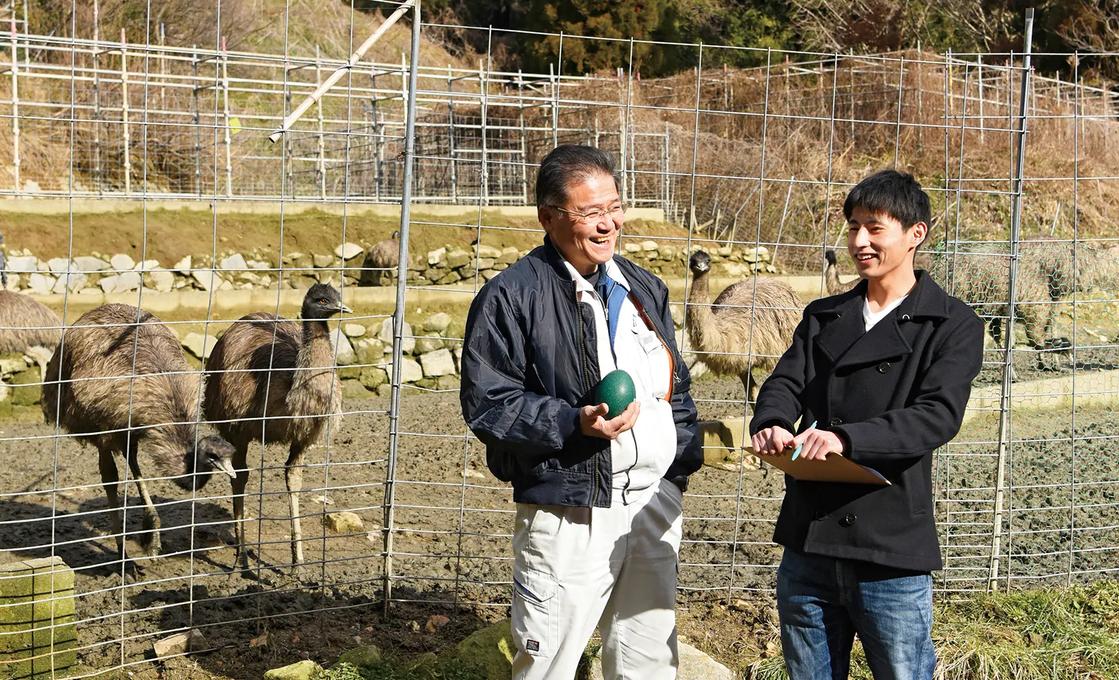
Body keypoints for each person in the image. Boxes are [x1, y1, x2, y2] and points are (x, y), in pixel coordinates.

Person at [460, 144, 701, 680]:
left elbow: (674, 388)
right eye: (590, 212)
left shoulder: (643, 288)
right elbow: (488, 403)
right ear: (548, 218)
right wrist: (573, 423)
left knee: (647, 663)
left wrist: (676, 471)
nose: (608, 223)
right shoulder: (511, 297)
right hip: (572, 507)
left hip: (652, 502)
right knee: (550, 662)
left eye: (614, 207)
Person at [749, 170, 984, 680]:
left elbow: (936, 416)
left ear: (915, 234)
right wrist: (772, 421)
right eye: (853, 227)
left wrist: (845, 438)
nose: (859, 241)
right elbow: (785, 381)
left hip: (889, 549)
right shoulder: (824, 315)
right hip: (810, 540)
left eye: (875, 229)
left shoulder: (951, 323)